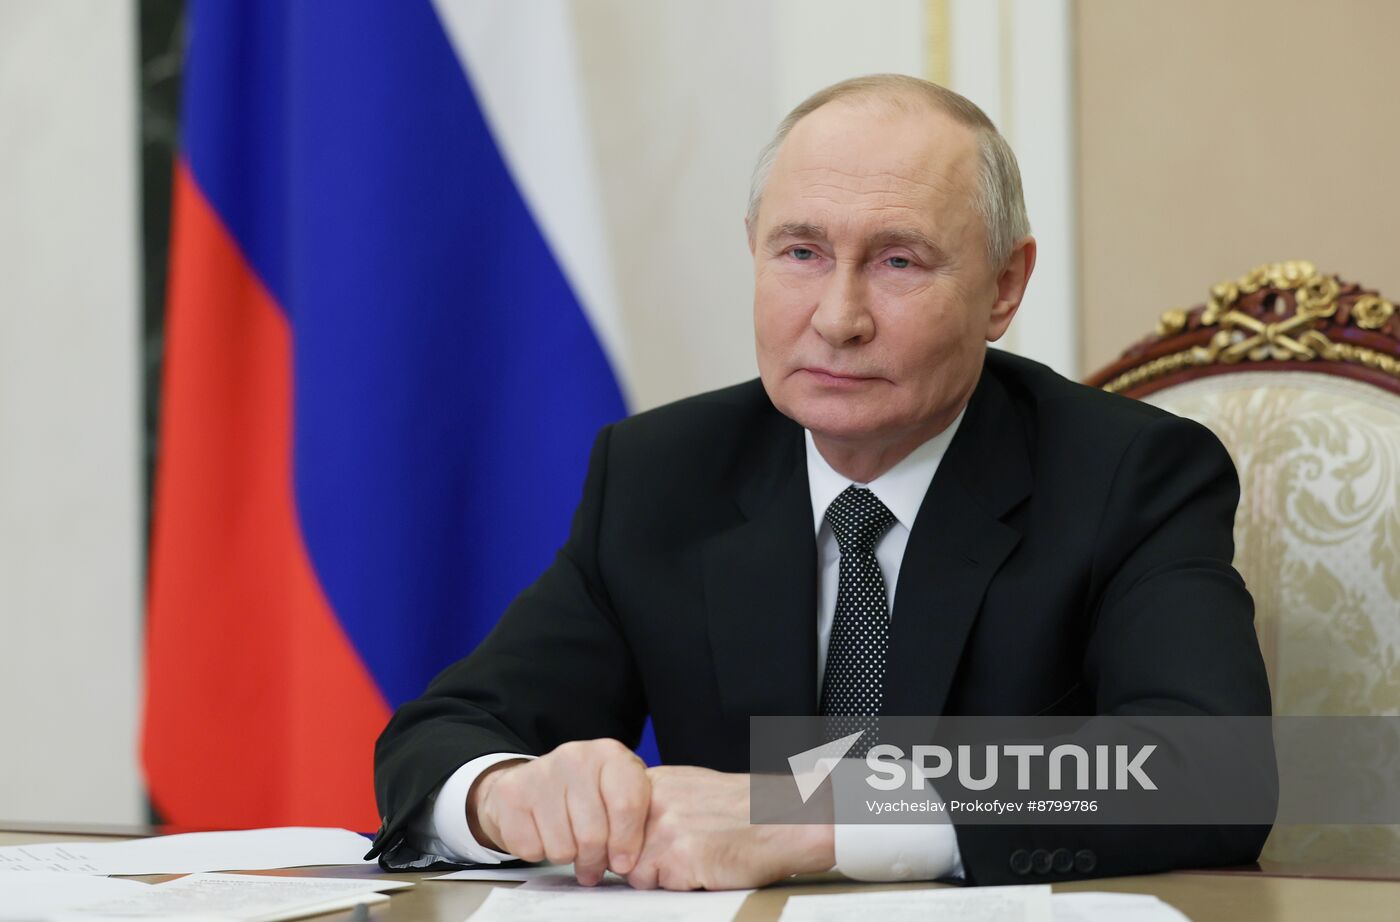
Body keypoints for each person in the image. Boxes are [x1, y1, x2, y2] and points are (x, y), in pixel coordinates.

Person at [368, 74, 1272, 889]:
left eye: (898, 262)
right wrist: (509, 792)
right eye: (800, 253)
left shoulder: (1131, 474)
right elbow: (438, 737)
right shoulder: (662, 474)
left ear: (1004, 286)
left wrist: (824, 815)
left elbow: (1211, 766)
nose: (838, 319)